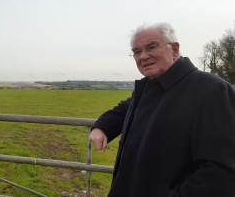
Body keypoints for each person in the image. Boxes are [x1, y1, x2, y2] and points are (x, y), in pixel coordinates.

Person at [89, 23, 235, 197]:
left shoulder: (211, 90)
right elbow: (126, 108)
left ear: (174, 49)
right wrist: (102, 126)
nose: (143, 56)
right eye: (137, 51)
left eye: (151, 47)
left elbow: (222, 174)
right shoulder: (152, 86)